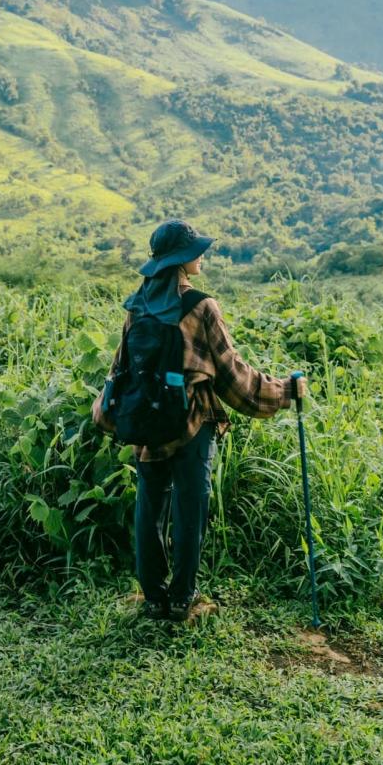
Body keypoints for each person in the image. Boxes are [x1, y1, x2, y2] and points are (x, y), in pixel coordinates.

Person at [92, 218, 295, 623]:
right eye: (195, 251)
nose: (201, 255)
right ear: (184, 260)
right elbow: (235, 378)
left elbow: (121, 370)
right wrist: (286, 391)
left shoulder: (136, 306)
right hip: (191, 425)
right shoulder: (201, 307)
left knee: (149, 508)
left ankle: (153, 597)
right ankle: (183, 597)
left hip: (147, 427)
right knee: (190, 509)